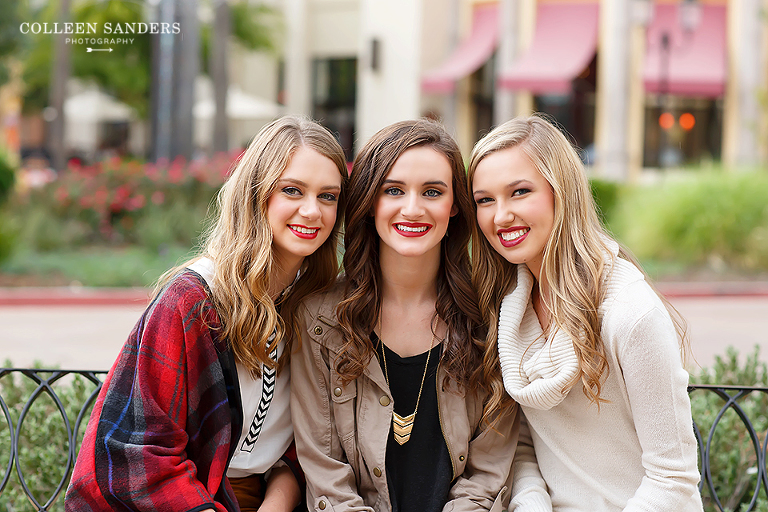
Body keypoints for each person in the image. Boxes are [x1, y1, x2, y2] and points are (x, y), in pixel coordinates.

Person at [65, 116, 348, 512]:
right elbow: (137, 451)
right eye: (292, 190)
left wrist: (281, 496)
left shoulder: (318, 304)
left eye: (328, 196)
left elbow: (313, 442)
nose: (312, 211)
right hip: (185, 500)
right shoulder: (193, 301)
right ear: (256, 194)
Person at [467, 115, 703, 511]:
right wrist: (531, 504)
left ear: (562, 192)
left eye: (520, 192)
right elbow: (526, 445)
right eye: (485, 200)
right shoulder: (509, 309)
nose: (500, 215)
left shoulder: (630, 313)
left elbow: (673, 480)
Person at [290, 119, 519, 512]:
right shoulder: (318, 320)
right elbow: (326, 476)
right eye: (393, 190)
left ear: (454, 208)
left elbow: (486, 478)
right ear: (369, 202)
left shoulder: (492, 318)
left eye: (432, 192)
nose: (412, 209)